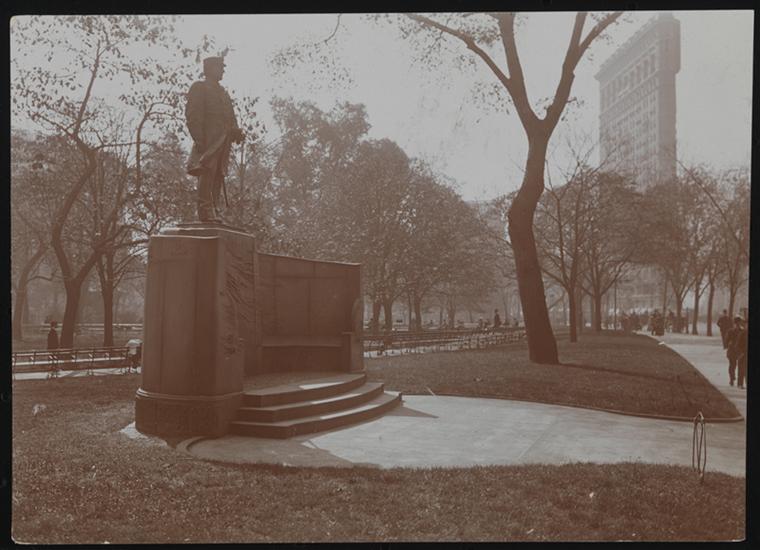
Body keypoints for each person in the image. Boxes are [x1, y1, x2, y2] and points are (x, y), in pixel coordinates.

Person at [185, 56, 245, 222]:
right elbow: (193, 114)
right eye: (220, 67)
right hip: (208, 138)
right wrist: (199, 139)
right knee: (207, 171)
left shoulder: (223, 93)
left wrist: (236, 132)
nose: (223, 70)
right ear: (209, 69)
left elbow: (230, 117)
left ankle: (215, 209)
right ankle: (205, 210)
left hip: (223, 139)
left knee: (219, 173)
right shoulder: (200, 87)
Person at [725, 317, 743, 387]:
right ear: (734, 323)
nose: (738, 325)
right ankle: (732, 378)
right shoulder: (730, 331)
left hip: (739, 351)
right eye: (736, 323)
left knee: (739, 366)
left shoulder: (742, 331)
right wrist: (729, 343)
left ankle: (738, 381)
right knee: (732, 365)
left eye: (739, 323)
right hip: (732, 351)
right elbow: (726, 341)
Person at [736, 318, 748, 389]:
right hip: (743, 354)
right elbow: (737, 345)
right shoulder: (742, 333)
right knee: (742, 370)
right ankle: (740, 383)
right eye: (746, 324)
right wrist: (741, 353)